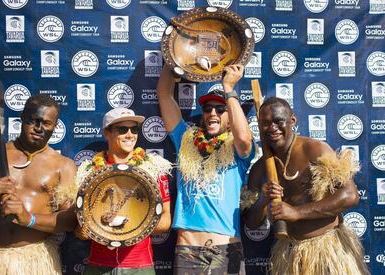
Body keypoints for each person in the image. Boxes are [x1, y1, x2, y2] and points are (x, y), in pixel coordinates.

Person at [242, 97, 369, 275]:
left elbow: (350, 196)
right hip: (290, 255)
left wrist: (296, 213)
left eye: (279, 121)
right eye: (266, 123)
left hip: (327, 250)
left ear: (292, 120)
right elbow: (252, 223)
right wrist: (263, 200)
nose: (272, 128)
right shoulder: (259, 169)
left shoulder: (315, 150)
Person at [156, 64, 255, 274]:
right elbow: (164, 95)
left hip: (226, 251)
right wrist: (174, 55)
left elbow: (245, 139)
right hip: (187, 251)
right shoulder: (186, 139)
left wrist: (229, 88)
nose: (213, 113)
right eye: (208, 108)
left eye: (220, 109)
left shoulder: (236, 148)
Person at [0, 94, 77, 274]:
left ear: (55, 126)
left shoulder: (63, 166)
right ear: (21, 118)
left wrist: (29, 218)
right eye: (33, 120)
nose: (39, 128)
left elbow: (69, 220)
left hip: (34, 262)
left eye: (46, 123)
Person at [74, 107, 172, 275]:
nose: (130, 134)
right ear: (106, 132)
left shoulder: (154, 168)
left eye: (134, 129)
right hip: (98, 264)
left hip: (138, 266)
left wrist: (133, 226)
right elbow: (78, 228)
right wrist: (83, 232)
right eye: (122, 129)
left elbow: (165, 220)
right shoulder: (88, 171)